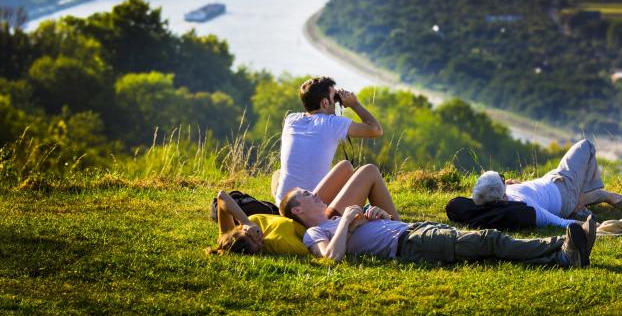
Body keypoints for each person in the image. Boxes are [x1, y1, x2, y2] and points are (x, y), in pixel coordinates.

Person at [280, 188, 597, 268]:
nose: (317, 194)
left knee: (484, 247)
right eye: (308, 195)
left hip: (412, 229)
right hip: (411, 244)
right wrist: (348, 220)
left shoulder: (335, 220)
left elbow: (377, 227)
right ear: (297, 210)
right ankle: (565, 248)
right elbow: (331, 257)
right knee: (487, 240)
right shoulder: (315, 232)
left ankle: (567, 252)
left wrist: (378, 214)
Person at [215, 164, 399, 254]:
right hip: (319, 224)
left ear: (239, 232)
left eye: (254, 237)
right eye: (259, 243)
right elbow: (322, 252)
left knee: (345, 166)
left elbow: (222, 196)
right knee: (369, 172)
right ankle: (399, 227)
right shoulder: (272, 247)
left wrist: (246, 222)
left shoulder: (227, 234)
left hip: (303, 213)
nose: (260, 238)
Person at [472, 139, 622, 228]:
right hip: (563, 191)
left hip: (553, 183)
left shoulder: (491, 197)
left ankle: (610, 197)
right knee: (585, 146)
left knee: (582, 189)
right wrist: (595, 226)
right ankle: (579, 205)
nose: (505, 179)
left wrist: (514, 185)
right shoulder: (523, 206)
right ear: (501, 195)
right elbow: (556, 221)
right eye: (502, 179)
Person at [273, 76, 383, 205]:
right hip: (311, 204)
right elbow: (376, 130)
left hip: (283, 204)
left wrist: (334, 97)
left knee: (277, 174)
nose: (337, 101)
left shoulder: (291, 120)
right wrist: (354, 104)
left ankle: (283, 204)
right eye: (335, 97)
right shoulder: (331, 123)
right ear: (325, 103)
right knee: (350, 168)